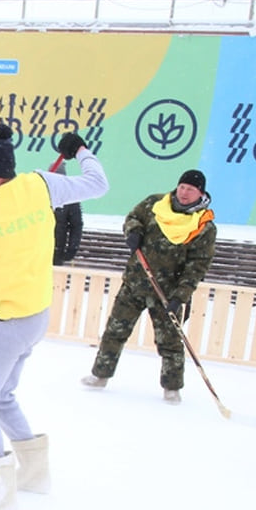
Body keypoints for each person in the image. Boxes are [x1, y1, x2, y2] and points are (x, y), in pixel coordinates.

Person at [0, 126, 109, 510]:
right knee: (2, 396)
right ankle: (35, 474)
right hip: (36, 314)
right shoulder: (41, 184)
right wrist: (81, 151)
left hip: (6, 319)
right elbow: (98, 183)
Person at [80, 168, 217, 404]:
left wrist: (180, 296)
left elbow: (198, 266)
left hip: (168, 293)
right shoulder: (156, 204)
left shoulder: (203, 226)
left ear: (200, 193)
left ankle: (172, 388)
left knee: (171, 342)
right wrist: (133, 232)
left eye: (190, 190)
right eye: (182, 187)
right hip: (135, 282)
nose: (184, 193)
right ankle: (100, 374)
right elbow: (132, 218)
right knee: (115, 331)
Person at [51, 163, 85, 266]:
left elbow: (76, 225)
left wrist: (72, 248)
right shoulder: (40, 193)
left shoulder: (71, 197)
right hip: (35, 249)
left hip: (56, 250)